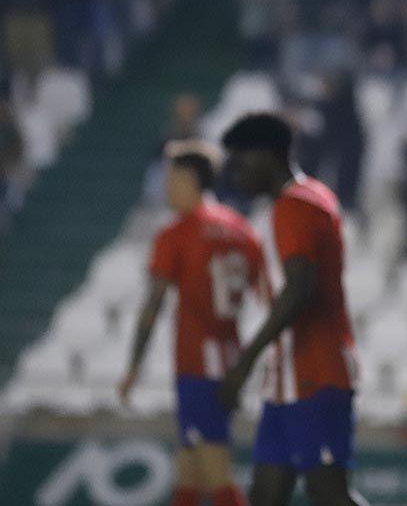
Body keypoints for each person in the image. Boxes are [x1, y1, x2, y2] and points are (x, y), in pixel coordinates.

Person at [217, 113, 365, 506]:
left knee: (329, 492)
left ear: (267, 156)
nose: (234, 172)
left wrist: (244, 361)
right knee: (266, 493)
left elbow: (299, 288)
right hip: (288, 376)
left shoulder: (294, 205)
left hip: (315, 370)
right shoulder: (311, 196)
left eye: (240, 159)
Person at [119, 140, 262, 506]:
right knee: (188, 469)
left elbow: (153, 305)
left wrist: (134, 366)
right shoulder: (242, 230)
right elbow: (264, 295)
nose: (166, 187)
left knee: (215, 473)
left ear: (188, 180)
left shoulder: (178, 233)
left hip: (198, 363)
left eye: (170, 178)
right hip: (229, 359)